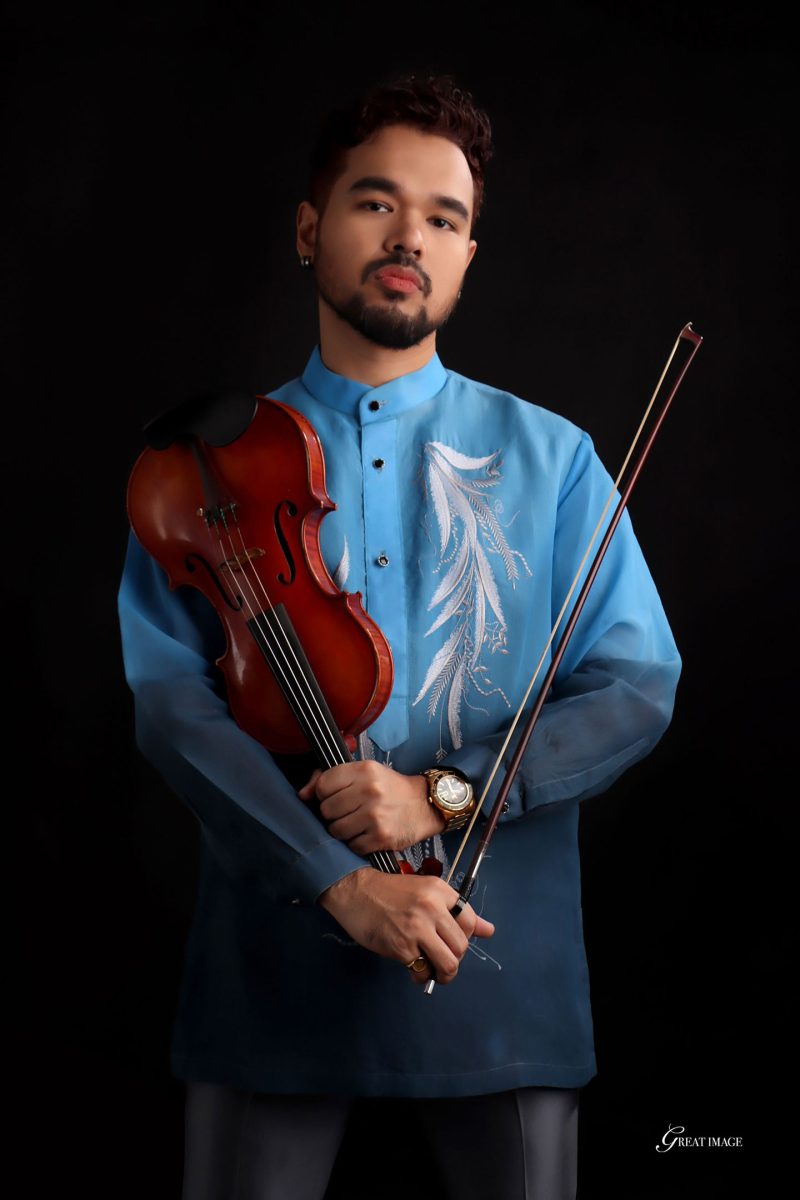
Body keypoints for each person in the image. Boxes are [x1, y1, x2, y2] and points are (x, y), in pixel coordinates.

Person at [117, 72, 682, 1200]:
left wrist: (443, 793)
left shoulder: (556, 456)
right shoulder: (200, 478)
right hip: (269, 974)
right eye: (376, 202)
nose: (409, 237)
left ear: (467, 255)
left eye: (443, 217)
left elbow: (634, 684)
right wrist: (336, 880)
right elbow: (172, 704)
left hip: (499, 971)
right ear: (308, 228)